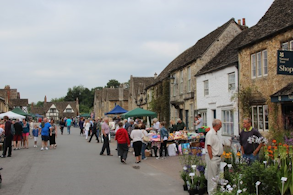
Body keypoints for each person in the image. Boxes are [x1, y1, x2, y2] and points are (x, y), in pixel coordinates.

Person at [205, 119, 223, 195]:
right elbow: (209, 146)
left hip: (217, 157)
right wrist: (211, 157)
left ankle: (215, 191)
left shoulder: (216, 133)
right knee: (212, 177)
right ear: (217, 125)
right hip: (213, 158)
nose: (221, 126)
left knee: (216, 176)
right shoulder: (210, 134)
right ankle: (212, 192)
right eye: (220, 125)